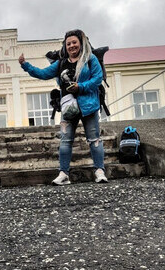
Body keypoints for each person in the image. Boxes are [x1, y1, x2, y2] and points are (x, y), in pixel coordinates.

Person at [18, 29, 108, 185]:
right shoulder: (60, 63)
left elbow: (97, 79)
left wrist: (80, 87)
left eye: (74, 42)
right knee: (65, 141)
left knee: (94, 139)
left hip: (89, 106)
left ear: (81, 43)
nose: (71, 46)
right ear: (65, 47)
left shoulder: (90, 59)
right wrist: (25, 65)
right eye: (68, 44)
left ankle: (100, 171)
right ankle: (63, 174)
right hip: (69, 108)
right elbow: (43, 73)